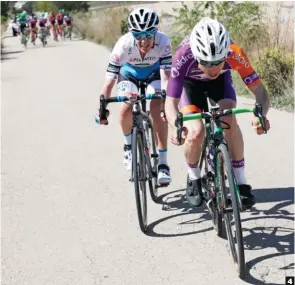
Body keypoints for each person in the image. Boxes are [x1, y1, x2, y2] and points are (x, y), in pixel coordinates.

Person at [165, 17, 271, 207]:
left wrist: (260, 114)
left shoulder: (234, 52)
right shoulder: (183, 55)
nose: (214, 68)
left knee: (229, 119)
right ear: (196, 56)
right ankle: (194, 177)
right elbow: (170, 102)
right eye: (206, 62)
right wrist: (176, 125)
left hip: (220, 85)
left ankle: (241, 182)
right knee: (195, 132)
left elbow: (260, 91)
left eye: (219, 62)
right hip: (190, 87)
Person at [95, 7, 173, 185]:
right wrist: (102, 109)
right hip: (129, 75)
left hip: (154, 75)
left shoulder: (164, 41)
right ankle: (128, 146)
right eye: (138, 36)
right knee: (125, 108)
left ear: (156, 32)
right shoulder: (123, 45)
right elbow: (109, 83)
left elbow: (166, 77)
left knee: (156, 109)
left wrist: (166, 103)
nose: (144, 41)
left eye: (148, 35)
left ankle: (162, 163)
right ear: (132, 34)